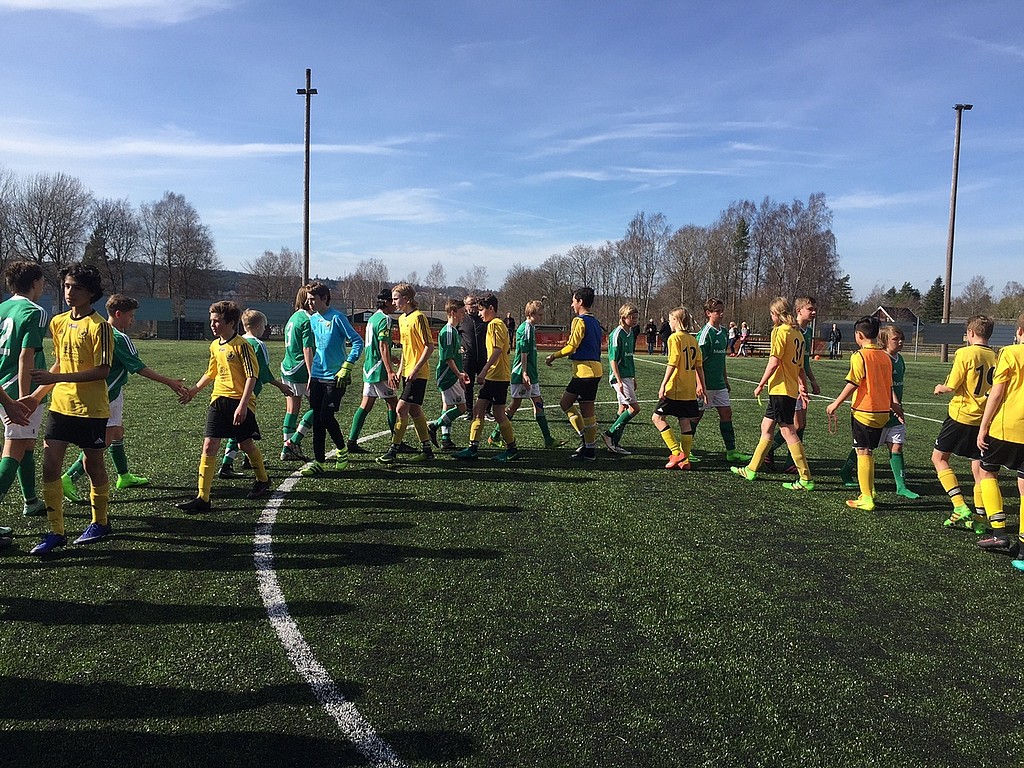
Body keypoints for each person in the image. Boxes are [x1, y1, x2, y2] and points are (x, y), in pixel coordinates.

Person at [61, 294, 189, 499]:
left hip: (101, 391)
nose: (132, 320)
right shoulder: (120, 338)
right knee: (104, 440)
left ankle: (124, 476)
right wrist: (170, 382)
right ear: (119, 314)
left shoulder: (98, 329)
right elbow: (139, 368)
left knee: (118, 432)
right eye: (131, 316)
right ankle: (69, 477)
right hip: (107, 394)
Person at [25, 263, 115, 555]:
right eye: (66, 286)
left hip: (91, 410)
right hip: (60, 407)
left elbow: (102, 370)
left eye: (76, 287)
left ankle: (100, 522)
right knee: (50, 466)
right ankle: (56, 532)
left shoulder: (100, 326)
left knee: (92, 466)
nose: (69, 292)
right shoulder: (58, 322)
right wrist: (36, 396)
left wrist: (57, 377)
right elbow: (59, 364)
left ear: (91, 292)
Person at [175, 300, 272, 513]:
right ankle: (203, 497)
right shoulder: (214, 345)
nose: (212, 324)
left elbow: (252, 376)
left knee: (245, 445)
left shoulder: (242, 345)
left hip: (240, 401)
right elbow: (211, 372)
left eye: (217, 321)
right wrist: (193, 391)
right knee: (209, 446)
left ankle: (263, 479)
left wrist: (243, 405)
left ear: (231, 323)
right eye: (211, 320)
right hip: (218, 400)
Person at [730, 297, 813, 491]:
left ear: (776, 314)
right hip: (788, 389)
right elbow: (800, 366)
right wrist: (803, 386)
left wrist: (761, 384)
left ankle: (806, 478)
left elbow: (774, 361)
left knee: (788, 431)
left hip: (781, 389)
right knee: (766, 426)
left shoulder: (780, 331)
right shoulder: (798, 334)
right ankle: (751, 469)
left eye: (771, 314)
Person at [824, 316, 902, 512]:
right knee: (868, 451)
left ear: (859, 335)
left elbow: (854, 382)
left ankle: (866, 498)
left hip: (864, 411)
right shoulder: (885, 356)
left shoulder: (859, 356)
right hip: (882, 412)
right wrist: (895, 406)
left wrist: (835, 403)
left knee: (863, 452)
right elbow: (889, 385)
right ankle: (870, 491)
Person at [931, 315, 997, 531]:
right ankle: (980, 520)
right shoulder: (996, 357)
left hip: (961, 416)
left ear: (970, 333)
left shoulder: (965, 353)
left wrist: (940, 388)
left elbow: (952, 385)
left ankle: (959, 505)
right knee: (978, 469)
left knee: (939, 458)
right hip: (983, 420)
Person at [839, 325, 919, 499]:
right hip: (879, 409)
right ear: (883, 340)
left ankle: (901, 486)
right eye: (895, 339)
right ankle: (847, 471)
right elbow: (887, 386)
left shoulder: (900, 359)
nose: (900, 342)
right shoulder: (881, 358)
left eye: (902, 339)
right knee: (865, 447)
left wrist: (897, 406)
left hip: (893, 411)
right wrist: (894, 404)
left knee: (896, 446)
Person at [0, 260, 49, 523]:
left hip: (1, 386)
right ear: (34, 283)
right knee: (15, 448)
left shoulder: (2, 308)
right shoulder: (35, 311)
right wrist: (22, 399)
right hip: (19, 389)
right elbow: (25, 355)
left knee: (26, 443)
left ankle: (31, 501)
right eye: (42, 281)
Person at [300, 282, 364, 476]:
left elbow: (358, 342)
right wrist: (311, 374)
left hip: (335, 377)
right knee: (317, 420)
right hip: (317, 376)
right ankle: (319, 462)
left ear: (324, 298)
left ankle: (342, 449)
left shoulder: (337, 318)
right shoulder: (313, 319)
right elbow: (314, 347)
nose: (309, 303)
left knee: (326, 416)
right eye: (308, 299)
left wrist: (347, 366)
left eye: (313, 299)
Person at [975, 312, 1024, 566]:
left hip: (1007, 426)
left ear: (1019, 331)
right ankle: (1023, 548)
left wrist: (983, 426)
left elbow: (997, 393)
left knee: (987, 472)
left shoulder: (1010, 353)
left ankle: (999, 532)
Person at [218, 310, 291, 478]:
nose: (265, 329)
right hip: (248, 394)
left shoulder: (236, 341)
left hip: (233, 389)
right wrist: (280, 385)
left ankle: (247, 460)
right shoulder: (258, 345)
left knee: (243, 426)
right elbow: (263, 372)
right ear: (258, 326)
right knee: (240, 428)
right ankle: (226, 464)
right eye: (264, 326)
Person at [454, 294, 518, 461]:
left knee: (498, 414)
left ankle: (512, 449)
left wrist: (483, 371)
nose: (479, 313)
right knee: (478, 410)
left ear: (491, 308)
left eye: (481, 309)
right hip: (495, 376)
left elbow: (497, 350)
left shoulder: (495, 324)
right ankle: (472, 448)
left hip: (497, 376)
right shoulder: (496, 324)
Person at [377, 283, 435, 464]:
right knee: (415, 409)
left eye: (396, 298)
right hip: (407, 372)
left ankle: (393, 450)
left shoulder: (419, 317)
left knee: (401, 408)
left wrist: (416, 369)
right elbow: (405, 349)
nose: (393, 302)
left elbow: (429, 346)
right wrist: (399, 371)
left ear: (407, 299)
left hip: (418, 373)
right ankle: (427, 450)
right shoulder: (402, 319)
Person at [487, 299, 556, 450]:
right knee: (515, 405)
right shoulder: (525, 329)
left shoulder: (531, 328)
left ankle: (548, 439)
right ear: (531, 314)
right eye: (539, 315)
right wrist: (524, 373)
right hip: (521, 373)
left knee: (538, 403)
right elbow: (523, 354)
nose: (542, 317)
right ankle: (494, 435)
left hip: (531, 373)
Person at [545, 286, 603, 461]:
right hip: (594, 370)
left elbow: (572, 346)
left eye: (573, 301)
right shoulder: (595, 321)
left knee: (580, 408)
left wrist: (553, 356)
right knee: (573, 404)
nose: (572, 305)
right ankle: (587, 444)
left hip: (584, 372)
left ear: (580, 302)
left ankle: (588, 448)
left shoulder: (579, 321)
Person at [693, 298, 751, 463]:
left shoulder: (724, 332)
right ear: (708, 313)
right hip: (705, 384)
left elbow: (721, 359)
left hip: (719, 384)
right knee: (695, 417)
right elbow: (697, 363)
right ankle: (685, 450)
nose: (721, 314)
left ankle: (731, 452)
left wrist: (725, 379)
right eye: (717, 311)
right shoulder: (705, 334)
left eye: (722, 310)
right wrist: (699, 384)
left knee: (726, 414)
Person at [765, 296, 820, 471]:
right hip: (788, 383)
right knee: (793, 425)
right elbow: (783, 360)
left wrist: (811, 381)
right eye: (810, 309)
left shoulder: (807, 332)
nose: (813, 312)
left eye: (814, 309)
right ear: (798, 311)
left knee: (800, 424)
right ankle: (770, 451)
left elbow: (804, 362)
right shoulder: (791, 330)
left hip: (798, 382)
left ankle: (790, 462)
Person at [347, 288, 400, 454]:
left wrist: (391, 357)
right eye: (393, 301)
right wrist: (390, 371)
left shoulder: (373, 318)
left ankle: (352, 441)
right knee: (394, 404)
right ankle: (396, 441)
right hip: (379, 369)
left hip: (369, 367)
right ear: (386, 302)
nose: (395, 305)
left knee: (366, 404)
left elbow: (376, 345)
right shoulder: (385, 319)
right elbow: (382, 345)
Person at [652, 306, 705, 470]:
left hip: (675, 387)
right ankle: (685, 460)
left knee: (657, 418)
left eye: (670, 320)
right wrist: (701, 385)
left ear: (677, 320)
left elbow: (673, 363)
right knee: (684, 421)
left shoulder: (674, 338)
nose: (669, 323)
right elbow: (699, 365)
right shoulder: (693, 339)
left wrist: (663, 384)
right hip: (689, 388)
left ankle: (676, 452)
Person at [427, 297, 471, 450]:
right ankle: (434, 426)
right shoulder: (448, 332)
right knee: (462, 408)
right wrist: (458, 374)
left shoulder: (453, 331)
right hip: (448, 375)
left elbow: (455, 356)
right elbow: (448, 358)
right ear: (453, 312)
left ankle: (446, 440)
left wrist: (461, 372)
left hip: (451, 374)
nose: (463, 315)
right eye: (461, 312)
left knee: (448, 405)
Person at [279, 285, 315, 461]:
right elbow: (307, 348)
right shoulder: (307, 319)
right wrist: (311, 373)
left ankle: (286, 450)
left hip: (287, 367)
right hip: (301, 368)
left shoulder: (293, 317)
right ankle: (292, 442)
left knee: (292, 409)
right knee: (320, 406)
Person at [603, 303, 640, 455]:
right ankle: (609, 434)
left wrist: (633, 377)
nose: (635, 320)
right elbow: (612, 359)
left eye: (636, 317)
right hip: (620, 377)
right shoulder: (617, 334)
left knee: (623, 409)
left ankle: (614, 444)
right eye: (632, 317)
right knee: (634, 409)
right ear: (624, 317)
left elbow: (629, 358)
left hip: (628, 376)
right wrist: (618, 380)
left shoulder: (631, 333)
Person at [459, 295, 486, 415]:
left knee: (485, 383)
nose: (474, 306)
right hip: (468, 358)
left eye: (475, 303)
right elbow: (455, 333)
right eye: (471, 303)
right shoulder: (462, 319)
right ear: (465, 306)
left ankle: (486, 410)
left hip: (482, 357)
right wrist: (459, 345)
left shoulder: (482, 318)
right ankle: (469, 410)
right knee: (468, 385)